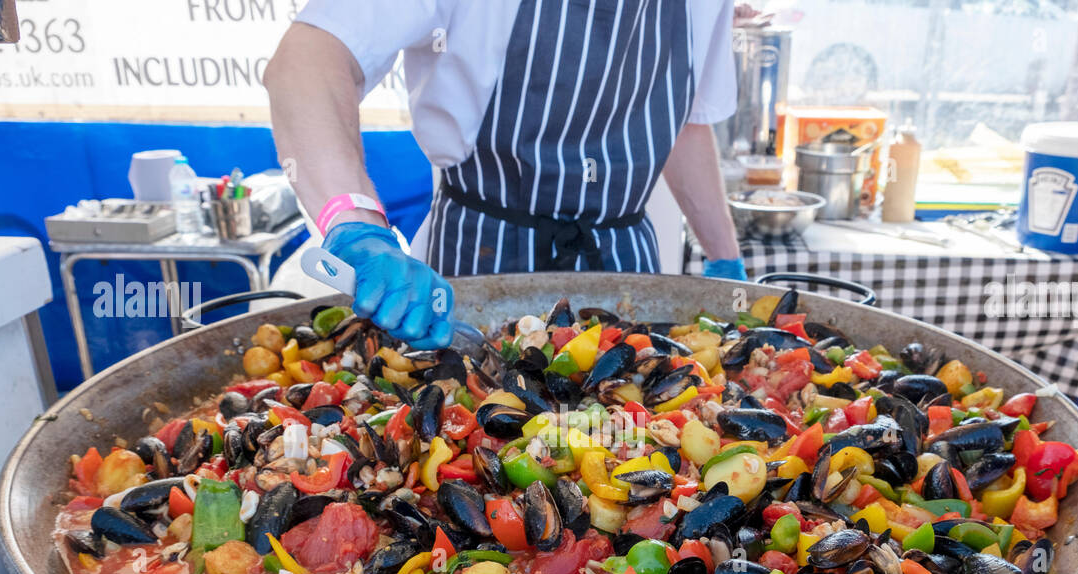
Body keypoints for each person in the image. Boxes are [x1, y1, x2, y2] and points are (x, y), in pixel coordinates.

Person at [264, 0, 746, 348]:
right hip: (480, 257)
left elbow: (687, 120)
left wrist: (725, 263)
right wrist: (354, 221)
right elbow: (308, 57)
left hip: (626, 265)